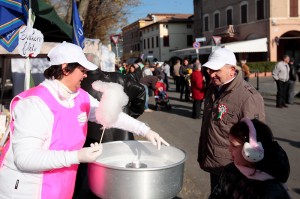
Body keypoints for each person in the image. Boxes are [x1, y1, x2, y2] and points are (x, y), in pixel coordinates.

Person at [0, 42, 169, 199]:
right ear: (65, 69)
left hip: (60, 187)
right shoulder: (35, 104)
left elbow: (109, 114)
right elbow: (26, 159)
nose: (86, 75)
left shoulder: (78, 96)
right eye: (82, 70)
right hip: (29, 191)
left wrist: (144, 130)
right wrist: (77, 156)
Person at [197, 47, 265, 192]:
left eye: (217, 70)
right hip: (214, 162)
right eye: (209, 69)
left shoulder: (248, 97)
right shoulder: (213, 88)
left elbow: (256, 140)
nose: (211, 74)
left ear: (232, 70)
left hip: (235, 171)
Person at [209, 118, 290, 198]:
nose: (229, 149)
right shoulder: (231, 170)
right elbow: (218, 193)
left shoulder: (271, 191)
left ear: (253, 151)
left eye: (234, 145)